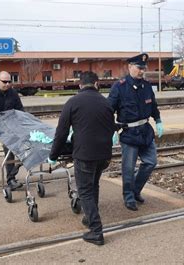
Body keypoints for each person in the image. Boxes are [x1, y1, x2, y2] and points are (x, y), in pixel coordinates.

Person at [48, 71, 115, 246]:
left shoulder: (73, 102)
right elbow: (112, 127)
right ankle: (89, 217)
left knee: (85, 190)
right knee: (94, 186)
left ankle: (96, 230)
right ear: (97, 84)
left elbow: (61, 133)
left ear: (79, 85)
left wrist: (53, 156)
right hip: (104, 155)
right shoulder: (106, 103)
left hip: (85, 154)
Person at [108, 53, 164, 211]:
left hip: (145, 131)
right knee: (128, 167)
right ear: (130, 67)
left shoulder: (146, 86)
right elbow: (108, 110)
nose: (142, 71)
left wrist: (158, 120)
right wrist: (112, 129)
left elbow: (153, 105)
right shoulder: (119, 86)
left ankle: (135, 190)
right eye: (139, 68)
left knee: (151, 162)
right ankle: (128, 196)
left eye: (144, 68)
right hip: (129, 132)